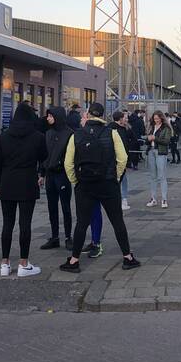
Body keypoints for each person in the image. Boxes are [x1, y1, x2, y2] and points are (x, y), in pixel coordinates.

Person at [59, 102, 140, 273]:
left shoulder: (77, 135)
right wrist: (115, 177)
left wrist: (76, 181)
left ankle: (74, 261)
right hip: (108, 183)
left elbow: (68, 163)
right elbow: (123, 158)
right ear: (103, 116)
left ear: (88, 114)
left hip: (85, 185)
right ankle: (127, 257)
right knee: (117, 220)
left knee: (81, 223)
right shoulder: (112, 133)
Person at [0, 102, 47, 278]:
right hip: (27, 183)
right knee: (25, 224)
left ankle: (4, 263)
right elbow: (44, 157)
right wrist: (41, 174)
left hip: (7, 183)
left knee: (7, 223)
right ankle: (23, 263)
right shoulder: (38, 137)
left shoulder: (4, 136)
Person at [41, 106, 74, 250]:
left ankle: (68, 237)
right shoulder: (48, 133)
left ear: (58, 117)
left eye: (50, 116)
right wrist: (41, 173)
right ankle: (54, 237)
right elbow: (44, 154)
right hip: (50, 175)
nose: (48, 118)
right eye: (47, 116)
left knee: (65, 207)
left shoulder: (69, 134)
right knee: (51, 206)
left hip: (63, 175)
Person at [146, 111, 173, 207]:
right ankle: (153, 198)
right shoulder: (151, 127)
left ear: (162, 118)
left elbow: (166, 141)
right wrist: (148, 138)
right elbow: (147, 139)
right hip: (151, 151)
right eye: (154, 119)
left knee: (162, 176)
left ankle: (164, 199)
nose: (156, 120)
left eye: (157, 118)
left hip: (160, 152)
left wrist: (154, 138)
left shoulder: (166, 128)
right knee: (152, 176)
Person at [110, 110, 136, 211]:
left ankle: (119, 199)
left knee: (119, 178)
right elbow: (133, 140)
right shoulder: (120, 129)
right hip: (120, 158)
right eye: (125, 118)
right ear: (120, 119)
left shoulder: (111, 128)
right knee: (121, 178)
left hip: (113, 158)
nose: (127, 119)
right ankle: (122, 199)